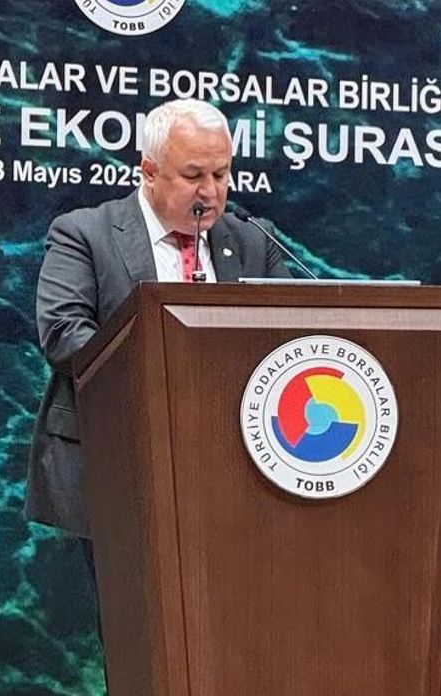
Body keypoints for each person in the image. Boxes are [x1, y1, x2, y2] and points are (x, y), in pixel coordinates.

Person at [26, 99, 292, 538]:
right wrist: (165, 373)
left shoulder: (252, 240)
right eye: (193, 175)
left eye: (221, 174)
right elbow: (63, 333)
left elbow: (292, 333)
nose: (210, 191)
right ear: (149, 172)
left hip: (231, 471)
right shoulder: (85, 233)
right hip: (114, 464)